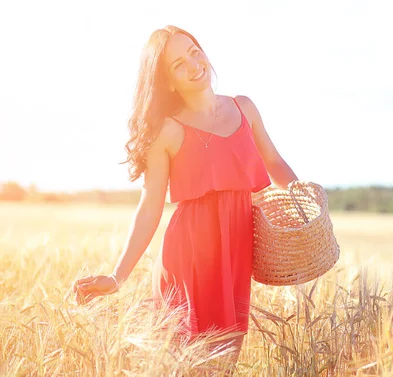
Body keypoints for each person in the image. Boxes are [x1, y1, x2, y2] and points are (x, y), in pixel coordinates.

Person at [72, 25, 298, 370]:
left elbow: (275, 162)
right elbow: (149, 206)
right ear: (167, 81)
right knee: (180, 365)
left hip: (235, 257)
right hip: (188, 261)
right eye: (179, 64)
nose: (194, 64)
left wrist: (303, 205)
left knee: (223, 364)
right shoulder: (167, 131)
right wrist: (118, 277)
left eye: (194, 51)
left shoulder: (244, 108)